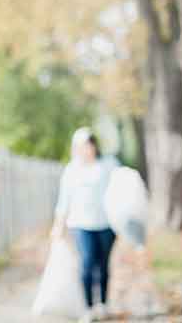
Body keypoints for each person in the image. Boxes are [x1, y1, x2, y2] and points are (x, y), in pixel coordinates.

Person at [51, 127, 118, 323]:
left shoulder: (109, 165)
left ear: (95, 146)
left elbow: (121, 190)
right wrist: (58, 226)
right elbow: (64, 201)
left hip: (106, 224)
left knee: (103, 265)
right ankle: (88, 308)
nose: (86, 149)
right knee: (87, 264)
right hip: (81, 224)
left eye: (89, 145)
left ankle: (103, 304)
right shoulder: (71, 170)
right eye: (81, 146)